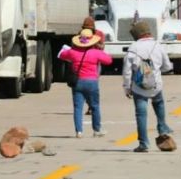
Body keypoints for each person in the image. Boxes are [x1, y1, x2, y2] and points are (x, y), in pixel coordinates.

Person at [122, 21, 174, 153]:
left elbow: (127, 71)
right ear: (148, 32)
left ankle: (144, 144)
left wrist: (127, 87)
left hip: (139, 87)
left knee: (141, 115)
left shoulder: (133, 48)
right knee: (159, 104)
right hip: (156, 85)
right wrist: (156, 70)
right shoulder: (158, 46)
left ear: (136, 35)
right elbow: (167, 66)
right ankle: (162, 128)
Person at [58, 29, 113, 138]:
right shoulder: (95, 52)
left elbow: (61, 55)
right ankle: (96, 130)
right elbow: (109, 60)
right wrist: (100, 50)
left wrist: (71, 48)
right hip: (92, 81)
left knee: (78, 107)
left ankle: (79, 131)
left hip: (78, 81)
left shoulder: (73, 52)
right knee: (95, 106)